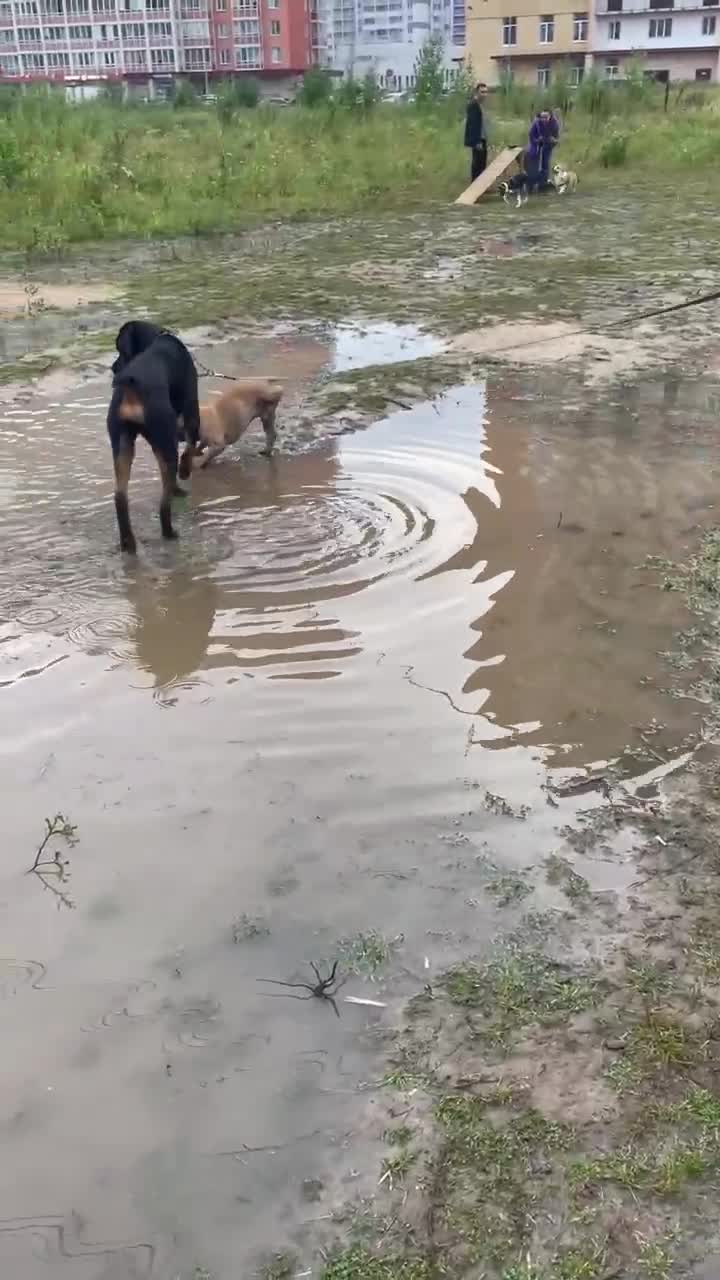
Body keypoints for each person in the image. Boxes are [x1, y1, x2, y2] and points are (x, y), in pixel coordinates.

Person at [527, 108, 559, 192]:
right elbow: (531, 135)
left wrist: (553, 141)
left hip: (548, 144)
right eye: (542, 117)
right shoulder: (536, 122)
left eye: (546, 117)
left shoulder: (554, 124)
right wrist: (537, 141)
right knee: (534, 161)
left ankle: (543, 184)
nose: (544, 119)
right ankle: (531, 183)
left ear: (550, 116)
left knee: (545, 163)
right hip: (536, 143)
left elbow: (556, 138)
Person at [464, 82, 489, 182]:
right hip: (477, 139)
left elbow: (482, 123)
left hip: (482, 138)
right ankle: (475, 184)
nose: (484, 95)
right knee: (477, 163)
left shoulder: (479, 105)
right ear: (477, 92)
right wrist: (477, 141)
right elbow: (472, 125)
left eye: (486, 92)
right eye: (482, 92)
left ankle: (481, 185)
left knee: (482, 162)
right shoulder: (473, 105)